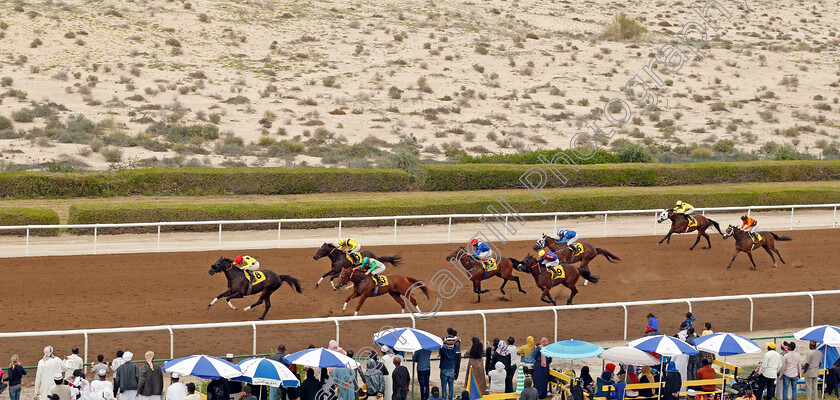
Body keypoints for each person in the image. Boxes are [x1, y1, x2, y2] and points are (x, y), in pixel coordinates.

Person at [439, 332, 460, 400]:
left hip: (444, 369)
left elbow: (441, 345)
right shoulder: (454, 349)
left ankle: (444, 398)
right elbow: (457, 341)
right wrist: (453, 341)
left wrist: (446, 342)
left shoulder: (443, 349)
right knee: (451, 387)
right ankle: (450, 398)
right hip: (451, 369)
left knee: (444, 387)